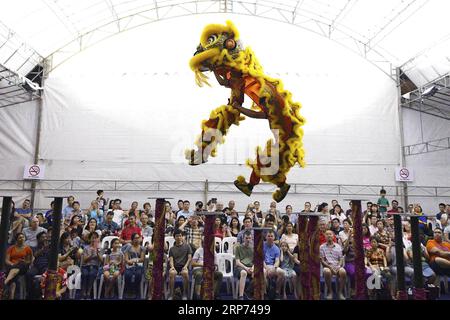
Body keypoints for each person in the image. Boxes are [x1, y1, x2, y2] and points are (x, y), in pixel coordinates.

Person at [4, 233, 33, 299]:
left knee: (20, 264)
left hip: (23, 266)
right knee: (14, 278)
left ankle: (5, 282)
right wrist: (12, 264)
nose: (22, 239)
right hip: (12, 266)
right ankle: (11, 296)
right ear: (16, 239)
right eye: (20, 237)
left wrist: (23, 262)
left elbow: (29, 261)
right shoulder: (11, 248)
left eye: (23, 237)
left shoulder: (28, 249)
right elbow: (6, 260)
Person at [320, 230, 346, 300]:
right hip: (327, 266)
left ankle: (340, 292)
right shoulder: (322, 247)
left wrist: (338, 266)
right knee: (327, 271)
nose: (329, 236)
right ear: (325, 236)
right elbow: (322, 261)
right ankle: (330, 291)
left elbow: (341, 259)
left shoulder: (338, 246)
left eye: (330, 234)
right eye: (327, 234)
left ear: (333, 236)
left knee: (343, 271)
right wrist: (331, 268)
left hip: (337, 266)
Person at [168, 229, 192, 300]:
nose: (178, 237)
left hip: (184, 266)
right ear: (174, 237)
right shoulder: (172, 249)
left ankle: (185, 293)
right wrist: (172, 267)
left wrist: (185, 266)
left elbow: (189, 258)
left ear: (182, 237)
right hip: (175, 266)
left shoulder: (187, 246)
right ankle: (171, 294)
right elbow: (171, 260)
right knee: (172, 273)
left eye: (180, 236)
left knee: (185, 273)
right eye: (177, 236)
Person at [26, 231, 50, 299]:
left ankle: (43, 295)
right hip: (36, 267)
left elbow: (50, 259)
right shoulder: (33, 248)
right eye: (43, 237)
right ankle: (29, 293)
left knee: (47, 275)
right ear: (38, 239)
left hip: (45, 267)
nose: (45, 238)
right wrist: (43, 249)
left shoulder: (49, 249)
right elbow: (35, 255)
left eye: (45, 237)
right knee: (29, 274)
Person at [80, 232, 102, 299]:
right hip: (85, 266)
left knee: (92, 274)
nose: (94, 239)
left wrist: (97, 254)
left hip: (95, 266)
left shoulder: (99, 248)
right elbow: (84, 260)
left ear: (97, 239)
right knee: (85, 274)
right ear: (90, 239)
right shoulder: (86, 248)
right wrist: (91, 256)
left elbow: (101, 261)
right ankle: (83, 292)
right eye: (92, 238)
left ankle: (88, 292)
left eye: (95, 238)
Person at [263, 230, 284, 299]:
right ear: (265, 237)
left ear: (274, 237)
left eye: (271, 236)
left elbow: (277, 261)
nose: (270, 237)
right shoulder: (262, 246)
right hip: (263, 265)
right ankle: (265, 293)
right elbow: (261, 260)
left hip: (272, 266)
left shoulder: (276, 248)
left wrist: (274, 268)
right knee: (263, 272)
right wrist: (266, 268)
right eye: (268, 236)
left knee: (282, 272)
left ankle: (277, 292)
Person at [123, 233, 145, 299]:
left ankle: (135, 290)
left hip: (139, 265)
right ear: (132, 240)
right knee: (127, 274)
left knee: (138, 274)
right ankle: (128, 290)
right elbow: (126, 259)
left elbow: (142, 259)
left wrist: (134, 260)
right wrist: (129, 261)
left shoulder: (142, 248)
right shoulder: (128, 247)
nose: (137, 239)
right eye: (135, 238)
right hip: (130, 265)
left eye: (138, 238)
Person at [234, 231, 254, 300]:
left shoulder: (253, 248)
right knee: (244, 272)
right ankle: (241, 296)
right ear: (243, 238)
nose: (248, 240)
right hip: (240, 267)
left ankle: (248, 291)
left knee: (258, 272)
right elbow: (237, 262)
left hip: (250, 267)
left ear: (251, 239)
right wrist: (246, 268)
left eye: (249, 238)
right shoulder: (238, 248)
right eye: (246, 238)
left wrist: (252, 268)